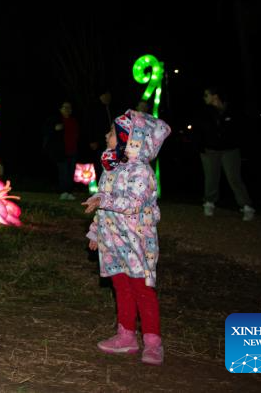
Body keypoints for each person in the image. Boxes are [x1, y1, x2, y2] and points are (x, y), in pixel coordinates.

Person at [84, 109, 171, 366]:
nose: (106, 135)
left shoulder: (141, 172)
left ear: (131, 139)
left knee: (142, 289)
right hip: (113, 242)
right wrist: (96, 232)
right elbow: (103, 206)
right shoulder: (111, 169)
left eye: (112, 132)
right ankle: (126, 335)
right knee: (121, 286)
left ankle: (153, 342)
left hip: (136, 243)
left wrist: (103, 200)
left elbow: (133, 203)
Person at [199, 87, 254, 221]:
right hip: (210, 150)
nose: (204, 98)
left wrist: (236, 143)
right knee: (211, 178)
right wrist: (201, 146)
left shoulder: (232, 110)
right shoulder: (204, 111)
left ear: (215, 96)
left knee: (234, 178)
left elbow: (241, 128)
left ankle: (246, 206)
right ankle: (209, 203)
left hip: (230, 150)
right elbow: (199, 129)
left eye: (206, 95)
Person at [44, 101, 80, 200]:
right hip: (61, 151)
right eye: (65, 107)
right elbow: (46, 132)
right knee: (63, 172)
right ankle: (63, 192)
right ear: (60, 109)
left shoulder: (74, 121)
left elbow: (77, 134)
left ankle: (69, 192)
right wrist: (54, 128)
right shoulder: (55, 120)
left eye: (69, 107)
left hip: (73, 150)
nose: (68, 109)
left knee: (71, 172)